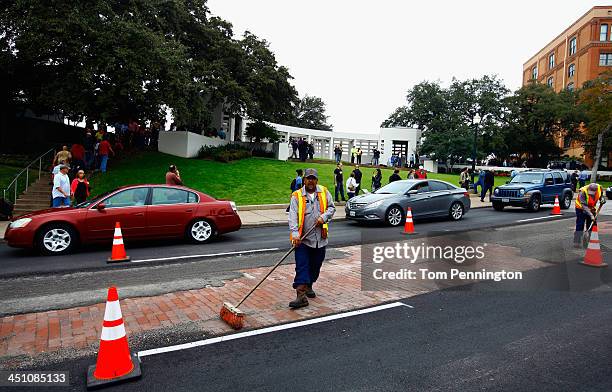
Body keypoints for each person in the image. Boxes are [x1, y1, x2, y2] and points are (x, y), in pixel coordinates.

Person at [288, 168, 335, 308]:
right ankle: (301, 295)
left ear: (317, 180)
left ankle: (309, 285)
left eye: (313, 178)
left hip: (320, 239)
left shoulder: (324, 192)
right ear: (304, 180)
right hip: (303, 240)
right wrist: (295, 235)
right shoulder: (297, 196)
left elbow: (332, 208)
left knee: (316, 265)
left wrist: (323, 217)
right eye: (308, 178)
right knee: (302, 266)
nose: (311, 181)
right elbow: (292, 217)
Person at [573, 183, 606, 248]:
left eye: (592, 193)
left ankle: (592, 240)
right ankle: (577, 242)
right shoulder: (582, 192)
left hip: (591, 208)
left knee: (593, 224)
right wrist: (591, 215)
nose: (590, 194)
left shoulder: (600, 188)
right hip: (581, 208)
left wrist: (602, 199)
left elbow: (601, 195)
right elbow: (584, 206)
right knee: (580, 224)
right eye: (590, 193)